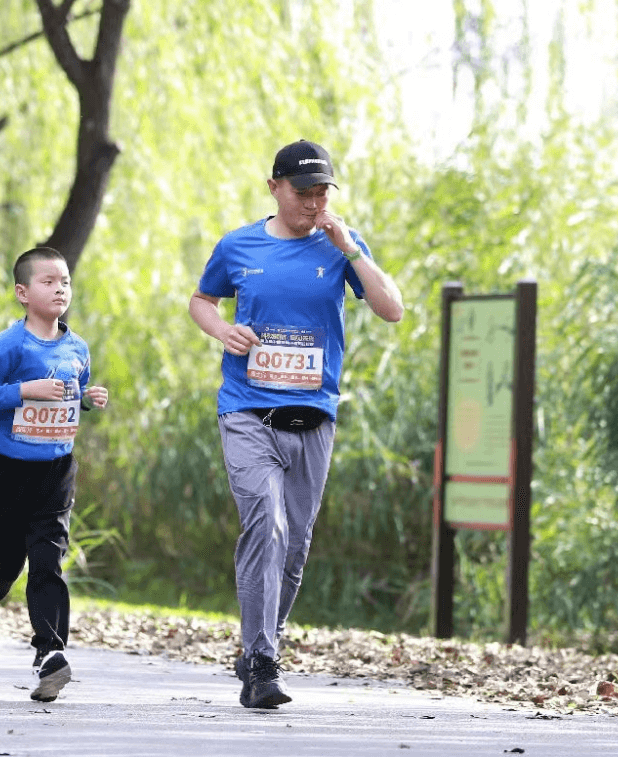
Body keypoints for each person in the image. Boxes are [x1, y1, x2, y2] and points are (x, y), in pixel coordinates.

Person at [188, 139, 403, 709]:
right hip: (247, 408)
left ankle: (260, 643)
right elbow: (202, 300)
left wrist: (351, 249)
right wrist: (221, 330)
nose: (313, 204)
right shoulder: (239, 246)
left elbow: (391, 308)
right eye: (303, 193)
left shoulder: (340, 246)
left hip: (314, 416)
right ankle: (262, 661)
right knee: (267, 523)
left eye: (322, 193)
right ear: (275, 187)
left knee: (296, 543)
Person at [0, 245, 108, 703]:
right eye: (48, 282)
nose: (60, 288)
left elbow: (71, 388)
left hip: (56, 469)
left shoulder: (77, 346)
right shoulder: (3, 346)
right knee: (6, 561)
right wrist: (26, 390)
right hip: (5, 470)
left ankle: (49, 656)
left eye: (65, 281)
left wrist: (86, 397)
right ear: (23, 293)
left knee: (47, 560)